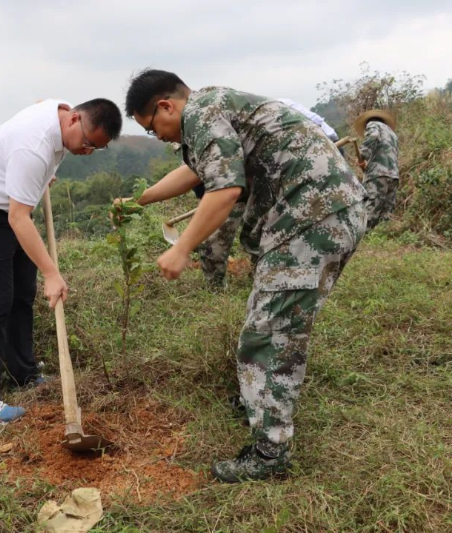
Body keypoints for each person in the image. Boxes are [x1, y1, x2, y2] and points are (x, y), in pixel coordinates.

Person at [117, 69, 366, 482]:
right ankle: (261, 399)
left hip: (313, 218)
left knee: (269, 332)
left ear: (166, 106)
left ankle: (270, 455)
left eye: (152, 127)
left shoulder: (201, 114)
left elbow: (225, 190)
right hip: (320, 213)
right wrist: (140, 200)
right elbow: (196, 173)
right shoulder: (212, 107)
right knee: (268, 319)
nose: (157, 137)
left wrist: (181, 248)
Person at [0, 98, 122, 424]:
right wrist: (52, 273)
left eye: (95, 149)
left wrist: (38, 179)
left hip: (12, 209)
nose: (86, 151)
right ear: (74, 119)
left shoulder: (59, 116)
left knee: (21, 296)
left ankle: (24, 374)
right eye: (87, 143)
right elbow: (19, 218)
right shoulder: (33, 148)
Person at [193, 98, 340, 288]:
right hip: (299, 160)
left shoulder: (241, 125)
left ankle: (263, 277)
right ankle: (255, 275)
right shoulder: (257, 115)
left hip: (303, 165)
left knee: (261, 227)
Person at [354, 109, 399, 230]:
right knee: (387, 211)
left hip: (378, 173)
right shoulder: (392, 133)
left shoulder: (372, 125)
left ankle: (364, 236)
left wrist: (362, 155)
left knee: (372, 207)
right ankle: (384, 235)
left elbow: (373, 136)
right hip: (393, 175)